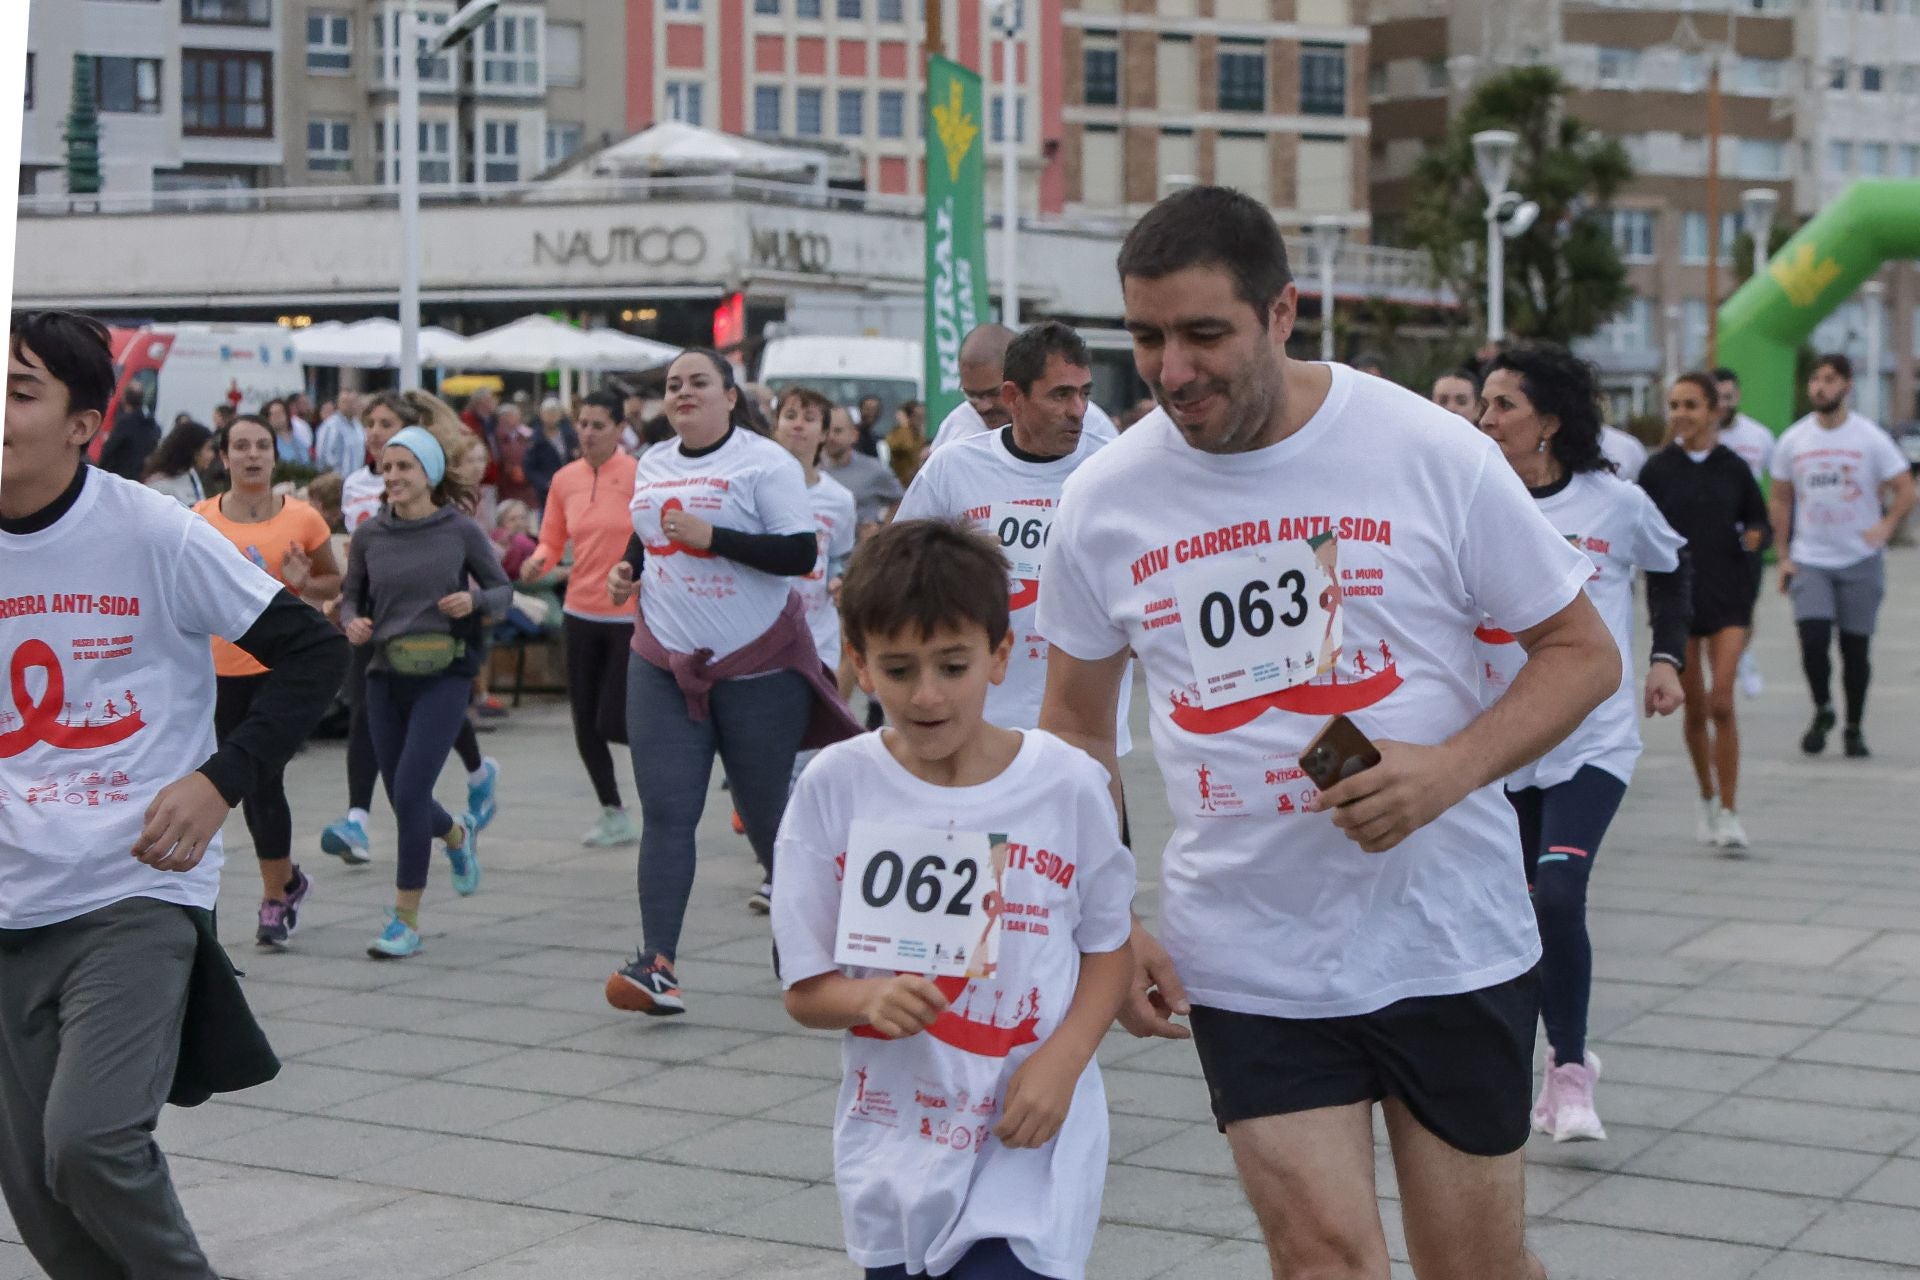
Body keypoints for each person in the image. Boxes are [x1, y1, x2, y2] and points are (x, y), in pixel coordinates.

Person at [1034, 187, 1619, 1280]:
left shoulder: (1425, 449)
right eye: (1148, 337)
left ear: (1283, 311)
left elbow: (1583, 651)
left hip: (1447, 935)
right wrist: (1101, 912)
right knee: (1322, 1261)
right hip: (1250, 951)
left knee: (1472, 1268)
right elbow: (1072, 725)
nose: (1172, 371)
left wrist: (1448, 769)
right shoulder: (1103, 499)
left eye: (1205, 334)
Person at [2, 310, 347, 1280]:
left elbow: (313, 650)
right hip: (8, 894)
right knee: (40, 1199)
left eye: (20, 390)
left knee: (90, 1142)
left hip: (132, 884)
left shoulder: (150, 529)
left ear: (84, 422)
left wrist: (219, 780)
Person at [773, 519, 1136, 1280]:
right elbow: (806, 992)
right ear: (860, 666)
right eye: (899, 669)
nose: (928, 694)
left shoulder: (1066, 784)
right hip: (892, 1149)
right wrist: (868, 999)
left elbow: (1109, 945)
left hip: (1028, 1142)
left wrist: (1063, 1064)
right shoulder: (833, 787)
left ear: (1001, 657)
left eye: (953, 664)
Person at [603, 347, 859, 1014]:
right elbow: (647, 534)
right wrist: (628, 570)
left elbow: (798, 552)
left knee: (771, 818)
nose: (683, 393)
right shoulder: (653, 461)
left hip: (758, 666)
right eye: (673, 385)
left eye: (698, 383)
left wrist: (712, 535)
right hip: (663, 661)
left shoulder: (763, 461)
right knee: (667, 811)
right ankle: (657, 964)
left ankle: (805, 955)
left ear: (729, 395)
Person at [1476, 343, 1690, 1140]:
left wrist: (1666, 657)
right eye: (1483, 404)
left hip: (1591, 740)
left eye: (1504, 406)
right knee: (1513, 915)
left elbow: (1674, 567)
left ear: (1551, 423)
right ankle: (1524, 1067)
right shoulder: (1476, 498)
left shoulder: (1613, 503)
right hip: (1501, 743)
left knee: (1559, 895)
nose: (1485, 419)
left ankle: (1569, 1073)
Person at [895, 321, 1131, 752]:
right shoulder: (953, 467)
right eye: (1060, 394)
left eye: (1085, 393)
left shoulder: (1114, 468)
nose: (1077, 409)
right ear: (1014, 398)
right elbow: (898, 569)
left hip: (1087, 732)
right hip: (981, 726)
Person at [340, 418, 511, 958]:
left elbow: (504, 589)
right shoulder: (369, 535)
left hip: (445, 675)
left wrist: (475, 602)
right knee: (402, 796)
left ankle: (404, 921)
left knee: (410, 793)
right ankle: (458, 836)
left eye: (403, 466)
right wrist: (351, 621)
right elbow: (350, 598)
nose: (392, 476)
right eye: (386, 467)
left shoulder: (459, 531)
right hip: (385, 676)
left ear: (430, 473)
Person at [319, 391, 501, 864]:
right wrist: (347, 606)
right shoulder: (357, 485)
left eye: (385, 423)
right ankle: (359, 817)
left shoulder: (447, 512)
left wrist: (474, 600)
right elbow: (357, 564)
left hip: (441, 632)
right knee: (370, 723)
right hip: (378, 630)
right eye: (370, 424)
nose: (375, 434)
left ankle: (478, 775)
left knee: (425, 744)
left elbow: (496, 584)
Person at [193, 415, 345, 947]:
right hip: (215, 673)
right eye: (241, 446)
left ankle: (274, 901)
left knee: (263, 784)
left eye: (262, 445)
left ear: (275, 456)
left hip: (277, 672)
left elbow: (332, 581)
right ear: (223, 457)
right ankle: (283, 882)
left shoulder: (303, 519)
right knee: (227, 784)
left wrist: (306, 585)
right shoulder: (199, 520)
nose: (252, 455)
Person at [1639, 373, 1771, 850]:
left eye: (1691, 405)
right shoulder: (1656, 470)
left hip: (1730, 597)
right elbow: (1638, 529)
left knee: (1722, 702)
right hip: (1678, 603)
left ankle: (1732, 812)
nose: (1680, 414)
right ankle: (1707, 797)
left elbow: (1759, 518)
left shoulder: (1735, 467)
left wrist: (1756, 537)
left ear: (1714, 411)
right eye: (1674, 404)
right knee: (1693, 709)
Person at [1769, 353, 1915, 758]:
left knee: (1855, 649)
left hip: (1859, 558)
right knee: (1813, 641)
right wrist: (1784, 555)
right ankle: (1823, 708)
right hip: (1810, 557)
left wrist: (1885, 527)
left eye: (1830, 379)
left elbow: (1906, 489)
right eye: (1815, 379)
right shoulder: (1794, 440)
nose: (1820, 386)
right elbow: (1780, 500)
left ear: (1847, 386)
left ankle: (1854, 726)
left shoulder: (1869, 438)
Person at [519, 389, 643, 848]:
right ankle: (613, 811)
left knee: (612, 720)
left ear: (618, 429)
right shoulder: (565, 479)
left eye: (597, 425)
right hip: (579, 612)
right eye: (582, 424)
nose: (587, 434)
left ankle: (671, 757)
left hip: (628, 615)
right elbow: (552, 541)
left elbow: (654, 537)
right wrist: (538, 562)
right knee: (585, 723)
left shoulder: (637, 475)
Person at [771, 386, 858, 678]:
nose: (797, 424)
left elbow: (839, 557)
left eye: (809, 418)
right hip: (762, 632)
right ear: (776, 426)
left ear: (823, 434)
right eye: (790, 415)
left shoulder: (840, 499)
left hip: (817, 635)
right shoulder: (751, 489)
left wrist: (839, 579)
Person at [1711, 368, 1777, 700]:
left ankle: (1742, 655)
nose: (1723, 403)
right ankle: (1725, 660)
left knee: (1744, 605)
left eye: (1729, 396)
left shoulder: (1760, 437)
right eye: (1717, 397)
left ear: (1737, 397)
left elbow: (1778, 487)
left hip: (1746, 536)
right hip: (1708, 538)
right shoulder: (1700, 436)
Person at [929, 324, 1017, 452]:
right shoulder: (958, 434)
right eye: (972, 395)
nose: (983, 406)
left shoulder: (1050, 426)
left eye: (993, 393)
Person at [822, 404, 904, 532]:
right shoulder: (810, 469)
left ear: (854, 435)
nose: (831, 437)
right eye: (826, 431)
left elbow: (901, 502)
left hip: (858, 549)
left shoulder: (874, 470)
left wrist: (882, 532)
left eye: (838, 431)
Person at [96, 382, 161, 480]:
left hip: (119, 475)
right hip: (138, 477)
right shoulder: (150, 424)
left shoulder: (125, 423)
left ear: (124, 399)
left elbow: (109, 449)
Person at [142, 420, 214, 506]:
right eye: (208, 448)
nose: (212, 455)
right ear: (194, 450)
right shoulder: (160, 486)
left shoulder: (191, 475)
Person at [526, 394, 580, 510]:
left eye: (554, 413)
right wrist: (545, 483)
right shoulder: (535, 440)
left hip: (570, 488)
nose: (551, 417)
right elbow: (529, 468)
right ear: (541, 415)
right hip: (546, 493)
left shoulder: (570, 436)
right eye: (548, 413)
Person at [314, 389, 367, 479]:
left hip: (355, 479)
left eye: (353, 402)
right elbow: (323, 456)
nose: (350, 406)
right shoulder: (330, 425)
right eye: (346, 402)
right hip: (336, 481)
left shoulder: (358, 426)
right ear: (338, 404)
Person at [885, 399, 928, 488]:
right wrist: (905, 425)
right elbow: (905, 447)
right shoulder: (897, 434)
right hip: (900, 485)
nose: (921, 421)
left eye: (922, 417)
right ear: (909, 417)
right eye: (917, 417)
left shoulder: (919, 437)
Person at [264, 397, 313, 466]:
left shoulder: (299, 440)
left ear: (287, 415)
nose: (277, 417)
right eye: (273, 414)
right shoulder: (268, 443)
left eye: (279, 413)